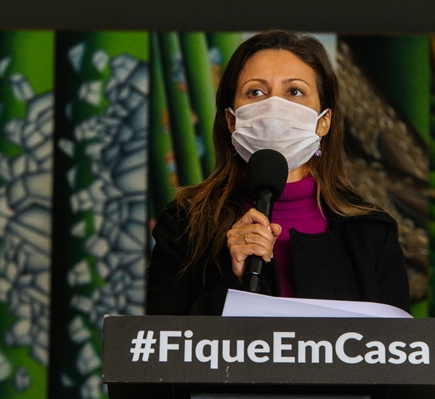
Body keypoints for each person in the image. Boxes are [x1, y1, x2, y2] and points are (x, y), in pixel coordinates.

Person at [145, 30, 410, 315]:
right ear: (231, 119)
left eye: (294, 91)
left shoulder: (371, 235)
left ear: (325, 122)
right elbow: (163, 347)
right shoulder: (184, 225)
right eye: (255, 92)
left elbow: (395, 349)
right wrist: (233, 282)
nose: (274, 106)